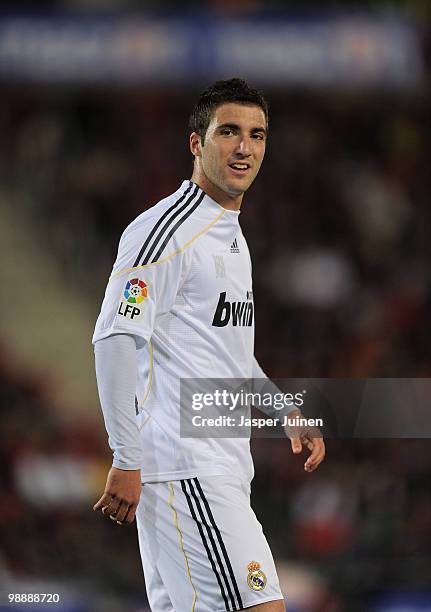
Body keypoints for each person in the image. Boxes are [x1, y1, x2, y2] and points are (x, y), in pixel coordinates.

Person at [92, 78, 325, 612]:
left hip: (216, 466)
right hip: (186, 469)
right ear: (196, 143)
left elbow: (228, 352)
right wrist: (126, 455)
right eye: (228, 132)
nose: (244, 147)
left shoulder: (230, 234)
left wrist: (283, 410)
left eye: (257, 134)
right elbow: (114, 338)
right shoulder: (168, 230)